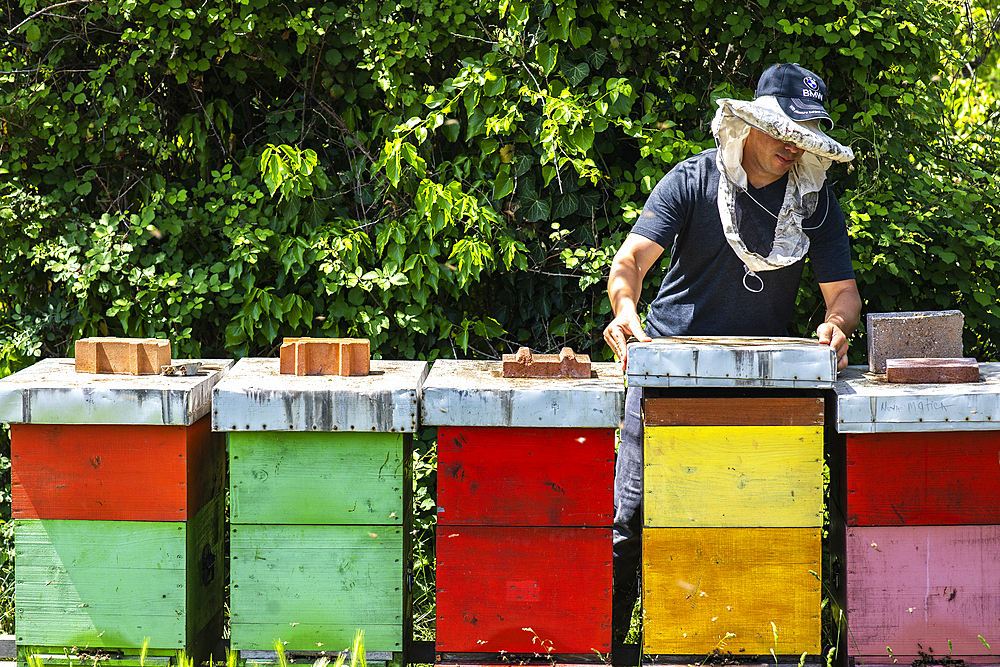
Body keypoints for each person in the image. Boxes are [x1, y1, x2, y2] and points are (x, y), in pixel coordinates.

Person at [601, 63, 862, 640]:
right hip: (667, 375)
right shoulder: (693, 180)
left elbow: (843, 294)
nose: (794, 146)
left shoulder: (815, 203)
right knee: (633, 523)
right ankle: (610, 650)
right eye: (784, 130)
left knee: (752, 528)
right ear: (751, 121)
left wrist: (836, 326)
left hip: (761, 385)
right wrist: (625, 310)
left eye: (805, 135)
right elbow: (630, 262)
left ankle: (728, 647)